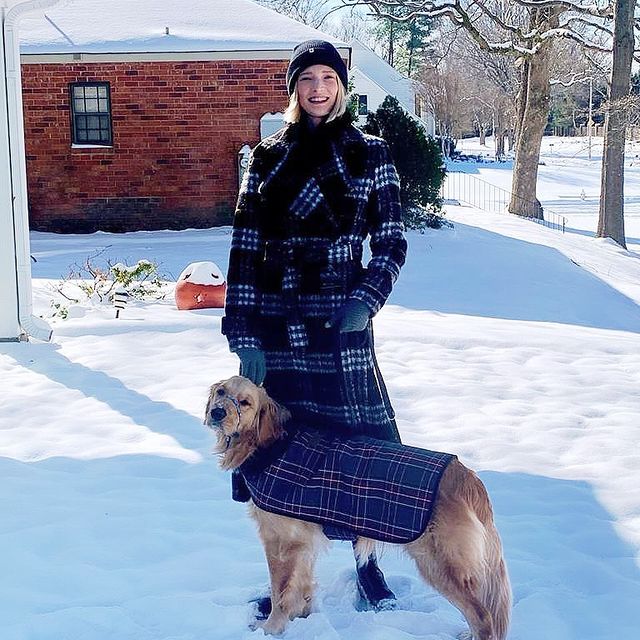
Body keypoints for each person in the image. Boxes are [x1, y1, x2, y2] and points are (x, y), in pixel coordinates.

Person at [222, 39, 407, 613]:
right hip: (276, 327)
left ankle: (367, 561)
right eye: (307, 79)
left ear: (342, 86)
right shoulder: (266, 159)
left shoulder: (371, 154)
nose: (318, 89)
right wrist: (243, 333)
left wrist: (367, 299)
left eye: (328, 78)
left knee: (357, 452)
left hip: (339, 326)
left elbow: (392, 241)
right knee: (279, 456)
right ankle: (290, 583)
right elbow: (244, 250)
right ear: (293, 90)